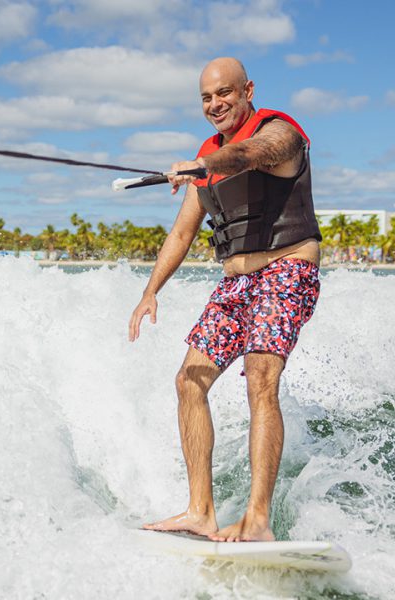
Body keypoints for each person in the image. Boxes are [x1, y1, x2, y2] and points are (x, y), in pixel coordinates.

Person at [127, 57, 322, 543]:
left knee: (261, 378)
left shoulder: (281, 133)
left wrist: (202, 166)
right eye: (206, 98)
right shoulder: (206, 156)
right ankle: (201, 511)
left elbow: (251, 154)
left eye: (225, 93)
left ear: (247, 90)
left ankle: (257, 519)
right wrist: (150, 292)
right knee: (189, 381)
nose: (215, 104)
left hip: (287, 269)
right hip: (235, 284)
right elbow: (181, 233)